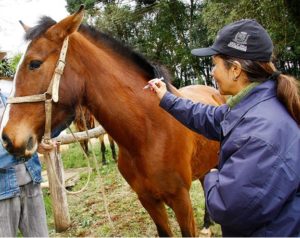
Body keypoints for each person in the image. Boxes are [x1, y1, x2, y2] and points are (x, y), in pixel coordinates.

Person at [147, 19, 300, 236]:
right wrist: (167, 97)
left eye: (214, 64)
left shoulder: (260, 133)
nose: (212, 73)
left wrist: (212, 175)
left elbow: (227, 207)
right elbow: (208, 117)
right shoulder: (253, 105)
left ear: (235, 70)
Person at [0, 90, 49, 237]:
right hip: (2, 194)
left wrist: (38, 143)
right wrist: (25, 150)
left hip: (30, 182)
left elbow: (30, 133)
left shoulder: (11, 98)